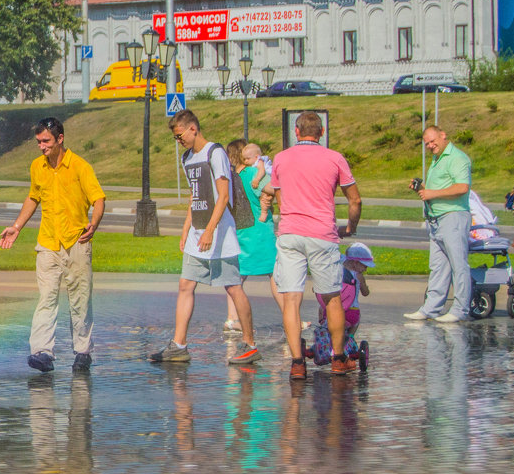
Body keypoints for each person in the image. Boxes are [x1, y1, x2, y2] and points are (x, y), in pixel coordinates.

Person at [149, 111, 260, 366]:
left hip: (220, 235)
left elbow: (222, 195)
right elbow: (194, 194)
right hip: (198, 235)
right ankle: (179, 345)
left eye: (180, 136)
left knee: (233, 287)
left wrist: (210, 230)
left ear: (193, 129)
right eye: (176, 138)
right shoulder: (187, 157)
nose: (179, 141)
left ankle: (250, 344)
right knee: (185, 286)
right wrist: (187, 227)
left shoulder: (215, 153)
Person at [260, 111, 362, 380]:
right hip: (322, 234)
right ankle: (338, 359)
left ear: (296, 131)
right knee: (332, 298)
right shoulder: (334, 158)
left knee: (291, 299)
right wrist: (351, 227)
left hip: (290, 234)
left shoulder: (281, 159)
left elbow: (279, 195)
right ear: (321, 132)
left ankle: (296, 363)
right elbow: (355, 200)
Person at [0, 117, 105, 373]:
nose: (41, 146)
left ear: (60, 139)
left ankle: (82, 351)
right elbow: (33, 197)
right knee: (46, 297)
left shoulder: (80, 166)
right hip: (48, 243)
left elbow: (98, 199)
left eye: (46, 141)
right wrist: (16, 227)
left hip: (76, 241)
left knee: (79, 300)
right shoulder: (37, 166)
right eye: (38, 142)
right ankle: (42, 352)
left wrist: (94, 223)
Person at [404, 126, 473, 323]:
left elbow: (462, 186)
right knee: (438, 266)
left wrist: (432, 193)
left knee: (458, 265)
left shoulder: (457, 158)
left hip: (453, 217)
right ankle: (431, 308)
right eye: (427, 143)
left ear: (443, 136)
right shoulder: (436, 159)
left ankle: (460, 309)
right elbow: (438, 188)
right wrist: (423, 188)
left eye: (433, 141)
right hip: (436, 219)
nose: (430, 145)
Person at [221, 139, 282, 334]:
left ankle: (232, 318)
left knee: (236, 276)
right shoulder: (251, 174)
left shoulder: (231, 176)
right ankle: (290, 317)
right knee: (275, 273)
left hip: (239, 230)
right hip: (259, 229)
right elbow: (273, 189)